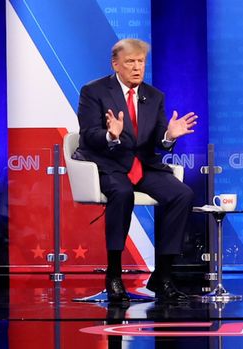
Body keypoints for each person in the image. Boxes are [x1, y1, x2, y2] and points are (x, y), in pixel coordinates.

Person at [74, 38, 198, 303]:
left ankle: (162, 276)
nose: (136, 67)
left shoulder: (154, 96)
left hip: (143, 166)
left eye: (140, 61)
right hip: (109, 164)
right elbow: (88, 136)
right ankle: (114, 275)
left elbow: (158, 142)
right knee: (122, 194)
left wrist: (168, 136)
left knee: (182, 194)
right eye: (130, 62)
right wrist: (110, 134)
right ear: (116, 64)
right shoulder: (93, 91)